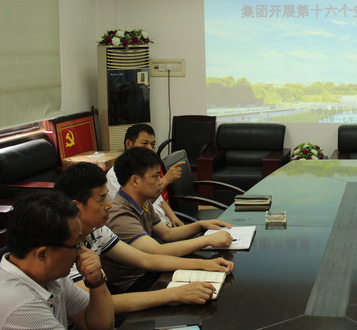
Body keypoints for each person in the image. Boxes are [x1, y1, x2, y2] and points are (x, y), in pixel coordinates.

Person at [55, 162, 234, 311]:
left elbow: (146, 259)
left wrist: (205, 264)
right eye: (102, 198)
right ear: (76, 206)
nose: (108, 205)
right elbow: (93, 306)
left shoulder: (97, 230)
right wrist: (175, 294)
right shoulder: (61, 248)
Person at [104, 147, 234, 293]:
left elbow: (167, 234)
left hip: (152, 272)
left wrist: (200, 225)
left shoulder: (142, 202)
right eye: (155, 177)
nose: (160, 182)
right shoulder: (120, 215)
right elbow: (156, 252)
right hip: (135, 284)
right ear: (135, 180)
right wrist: (207, 240)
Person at [0, 191, 114, 330]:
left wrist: (96, 281)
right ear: (42, 255)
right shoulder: (21, 308)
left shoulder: (51, 277)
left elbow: (97, 325)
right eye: (76, 245)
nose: (81, 252)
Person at [106, 123, 183, 227]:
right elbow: (136, 208)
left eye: (153, 145)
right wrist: (166, 180)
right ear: (129, 144)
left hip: (163, 223)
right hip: (145, 227)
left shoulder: (148, 170)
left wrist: (174, 218)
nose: (150, 148)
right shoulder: (114, 175)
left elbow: (160, 201)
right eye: (145, 144)